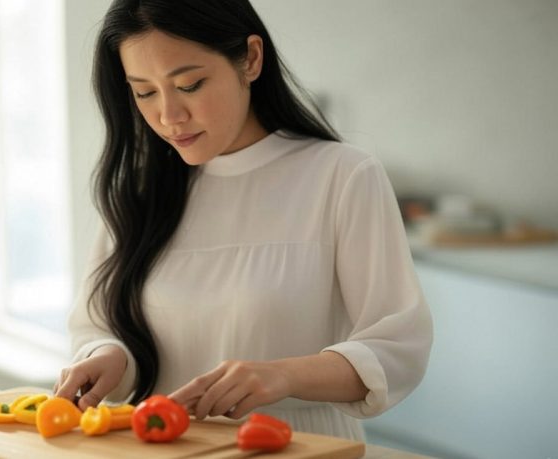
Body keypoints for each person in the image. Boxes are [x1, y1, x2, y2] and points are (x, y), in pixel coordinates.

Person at [54, 0, 433, 441]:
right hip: (159, 446)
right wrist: (109, 356)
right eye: (145, 92)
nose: (168, 116)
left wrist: (283, 376)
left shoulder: (342, 176)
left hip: (296, 446)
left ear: (251, 59)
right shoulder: (141, 192)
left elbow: (395, 348)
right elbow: (97, 325)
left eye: (190, 85)